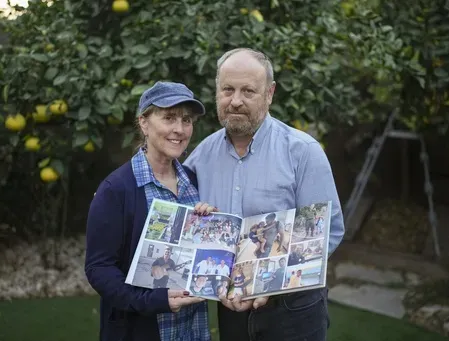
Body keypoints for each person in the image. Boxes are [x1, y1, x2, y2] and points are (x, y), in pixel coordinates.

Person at [184, 48, 345, 340]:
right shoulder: (200, 156)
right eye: (228, 89)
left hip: (293, 310)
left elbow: (327, 232)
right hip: (230, 309)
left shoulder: (303, 152)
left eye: (248, 91)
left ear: (269, 93)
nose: (235, 101)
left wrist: (268, 284)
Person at [85, 81, 217, 341]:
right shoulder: (116, 189)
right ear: (144, 123)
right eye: (169, 118)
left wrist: (208, 224)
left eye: (187, 120)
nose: (179, 129)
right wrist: (153, 299)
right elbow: (99, 268)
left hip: (193, 330)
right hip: (140, 330)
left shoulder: (193, 181)